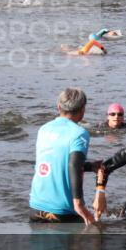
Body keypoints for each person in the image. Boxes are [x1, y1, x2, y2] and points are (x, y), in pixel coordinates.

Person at [29, 88, 100, 225]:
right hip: (62, 211)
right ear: (82, 110)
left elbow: (58, 163)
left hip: (36, 207)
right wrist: (78, 204)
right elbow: (74, 165)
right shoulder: (79, 133)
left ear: (58, 107)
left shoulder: (43, 129)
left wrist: (90, 166)